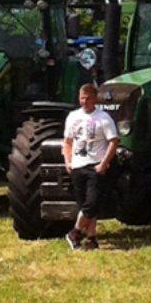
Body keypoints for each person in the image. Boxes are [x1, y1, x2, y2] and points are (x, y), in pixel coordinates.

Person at [62, 83, 119, 251]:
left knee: (92, 203)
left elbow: (114, 141)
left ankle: (75, 232)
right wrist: (67, 160)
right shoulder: (72, 116)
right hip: (78, 165)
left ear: (95, 99)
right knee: (84, 204)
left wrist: (104, 163)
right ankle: (91, 239)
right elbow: (67, 141)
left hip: (95, 165)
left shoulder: (103, 118)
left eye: (87, 99)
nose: (84, 102)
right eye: (82, 98)